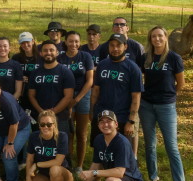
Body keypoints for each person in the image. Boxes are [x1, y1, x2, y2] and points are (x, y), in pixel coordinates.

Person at [139, 26, 187, 181]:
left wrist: (168, 95)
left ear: (166, 38)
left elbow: (180, 84)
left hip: (166, 106)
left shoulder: (174, 58)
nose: (157, 39)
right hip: (146, 106)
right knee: (150, 144)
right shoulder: (145, 58)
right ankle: (153, 178)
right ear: (150, 39)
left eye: (160, 36)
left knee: (171, 146)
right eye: (154, 36)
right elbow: (139, 77)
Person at [79, 110, 143, 181]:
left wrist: (94, 173)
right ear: (98, 125)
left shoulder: (121, 142)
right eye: (102, 122)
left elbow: (119, 172)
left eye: (109, 121)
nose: (106, 124)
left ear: (116, 124)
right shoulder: (98, 140)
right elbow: (96, 164)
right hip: (112, 180)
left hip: (131, 180)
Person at [90, 34, 143, 157]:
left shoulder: (133, 68)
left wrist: (131, 121)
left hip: (122, 117)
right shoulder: (102, 65)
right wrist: (92, 110)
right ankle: (98, 174)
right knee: (100, 151)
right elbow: (96, 90)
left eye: (118, 45)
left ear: (125, 46)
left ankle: (120, 176)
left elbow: (136, 97)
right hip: (101, 115)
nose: (115, 49)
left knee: (121, 153)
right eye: (112, 46)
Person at [57, 31, 95, 173]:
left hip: (83, 95)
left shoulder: (85, 56)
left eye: (76, 41)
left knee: (81, 132)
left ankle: (79, 165)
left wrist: (77, 99)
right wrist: (68, 101)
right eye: (71, 41)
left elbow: (90, 80)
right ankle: (68, 162)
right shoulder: (60, 58)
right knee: (67, 132)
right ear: (65, 42)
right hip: (65, 96)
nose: (74, 44)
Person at [23, 111, 73, 181]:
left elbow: (58, 162)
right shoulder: (34, 137)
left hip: (63, 174)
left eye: (49, 124)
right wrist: (28, 178)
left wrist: (37, 165)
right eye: (42, 124)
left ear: (54, 124)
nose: (45, 127)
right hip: (44, 174)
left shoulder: (62, 136)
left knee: (54, 169)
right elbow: (29, 159)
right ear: (39, 126)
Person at [28, 41, 75, 134]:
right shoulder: (35, 73)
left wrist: (52, 112)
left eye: (51, 50)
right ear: (41, 53)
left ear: (57, 52)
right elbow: (31, 95)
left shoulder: (65, 72)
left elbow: (68, 96)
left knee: (60, 145)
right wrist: (42, 112)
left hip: (60, 117)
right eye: (45, 50)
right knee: (41, 145)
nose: (48, 52)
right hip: (39, 116)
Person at [12, 32, 40, 121]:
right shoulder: (16, 58)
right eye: (23, 43)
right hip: (22, 94)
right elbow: (12, 73)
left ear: (33, 41)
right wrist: (19, 77)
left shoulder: (40, 57)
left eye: (27, 42)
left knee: (36, 120)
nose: (25, 45)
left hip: (37, 92)